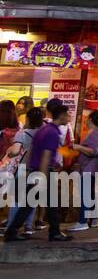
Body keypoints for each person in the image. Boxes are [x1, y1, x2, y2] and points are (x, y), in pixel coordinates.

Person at [5, 98, 72, 241]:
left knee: (31, 204)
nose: (69, 117)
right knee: (47, 203)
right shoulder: (51, 133)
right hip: (42, 172)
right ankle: (53, 232)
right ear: (60, 115)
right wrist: (42, 177)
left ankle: (12, 231)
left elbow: (31, 152)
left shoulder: (44, 130)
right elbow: (46, 156)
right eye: (67, 115)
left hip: (35, 171)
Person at [2, 107, 44, 237]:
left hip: (23, 168)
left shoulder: (22, 133)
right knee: (30, 200)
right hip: (37, 169)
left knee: (16, 200)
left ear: (28, 119)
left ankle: (10, 227)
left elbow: (15, 151)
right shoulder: (43, 132)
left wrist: (9, 151)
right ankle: (28, 227)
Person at [67, 110, 98, 231]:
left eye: (87, 120)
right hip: (94, 167)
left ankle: (82, 221)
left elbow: (93, 151)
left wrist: (77, 147)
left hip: (89, 167)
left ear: (90, 120)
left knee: (85, 195)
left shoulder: (94, 132)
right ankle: (93, 220)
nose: (86, 122)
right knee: (90, 193)